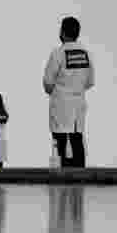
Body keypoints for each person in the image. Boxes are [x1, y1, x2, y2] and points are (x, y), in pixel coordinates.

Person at [43, 16, 94, 168]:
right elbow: (90, 82)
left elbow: (48, 82)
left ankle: (63, 182)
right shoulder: (86, 54)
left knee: (60, 142)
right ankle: (80, 181)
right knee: (77, 141)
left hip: (61, 104)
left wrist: (57, 90)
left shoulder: (58, 53)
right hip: (78, 103)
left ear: (63, 32)